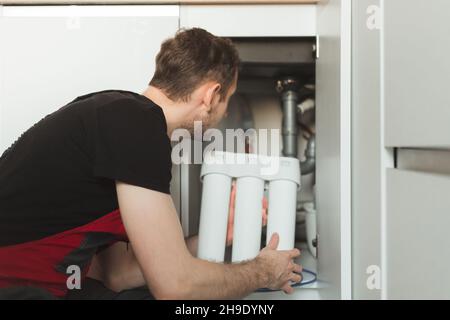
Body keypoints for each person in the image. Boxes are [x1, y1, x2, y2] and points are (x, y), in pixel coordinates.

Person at [0, 28, 302, 300]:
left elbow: (117, 274)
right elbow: (175, 287)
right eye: (228, 100)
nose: (224, 115)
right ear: (211, 95)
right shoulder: (137, 125)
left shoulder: (119, 118)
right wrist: (263, 272)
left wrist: (219, 232)